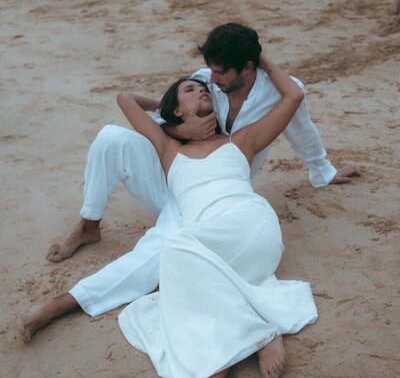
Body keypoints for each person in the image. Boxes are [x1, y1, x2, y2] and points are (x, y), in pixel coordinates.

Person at [23, 60, 318, 378]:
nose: (203, 90)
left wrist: (256, 58)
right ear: (176, 110)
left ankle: (258, 336)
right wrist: (172, 119)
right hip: (202, 240)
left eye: (206, 89)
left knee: (178, 253)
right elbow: (125, 98)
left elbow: (293, 94)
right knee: (191, 286)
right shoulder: (167, 148)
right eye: (191, 90)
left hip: (248, 225)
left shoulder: (241, 140)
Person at [40, 24, 359, 324]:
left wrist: (323, 171)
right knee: (111, 137)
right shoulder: (205, 81)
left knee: (163, 247)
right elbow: (166, 120)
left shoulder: (279, 91)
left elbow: (301, 130)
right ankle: (88, 224)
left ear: (247, 67)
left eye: (221, 71)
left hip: (218, 192)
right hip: (176, 173)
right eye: (211, 70)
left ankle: (72, 301)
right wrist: (180, 124)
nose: (212, 78)